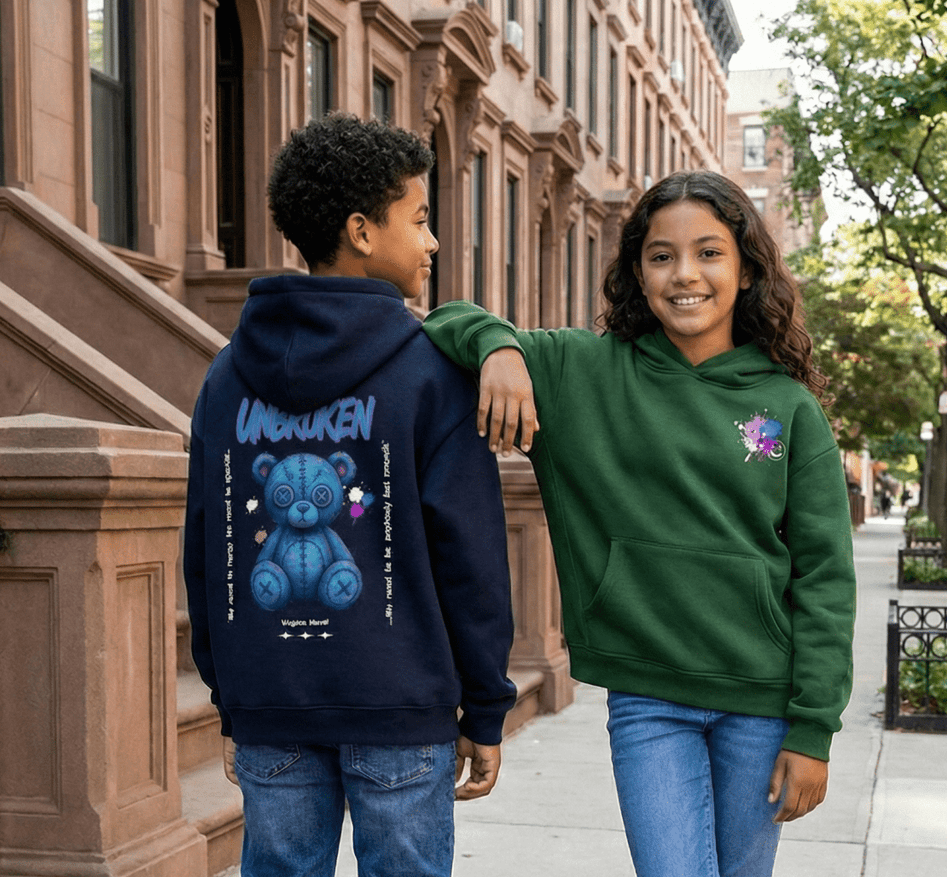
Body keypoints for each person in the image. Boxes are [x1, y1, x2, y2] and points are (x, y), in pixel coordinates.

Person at [422, 171, 856, 877]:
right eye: (661, 255)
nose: (685, 273)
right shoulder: (582, 371)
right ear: (638, 272)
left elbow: (826, 576)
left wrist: (813, 730)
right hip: (650, 702)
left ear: (746, 270)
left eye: (709, 252)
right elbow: (443, 321)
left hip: (760, 704)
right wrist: (500, 348)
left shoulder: (786, 407)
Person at [183, 113, 516, 877]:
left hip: (271, 700)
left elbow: (206, 543)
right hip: (400, 708)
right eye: (421, 218)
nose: (433, 241)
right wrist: (486, 703)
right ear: (362, 231)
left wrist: (228, 693)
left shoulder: (226, 376)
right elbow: (470, 553)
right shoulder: (433, 372)